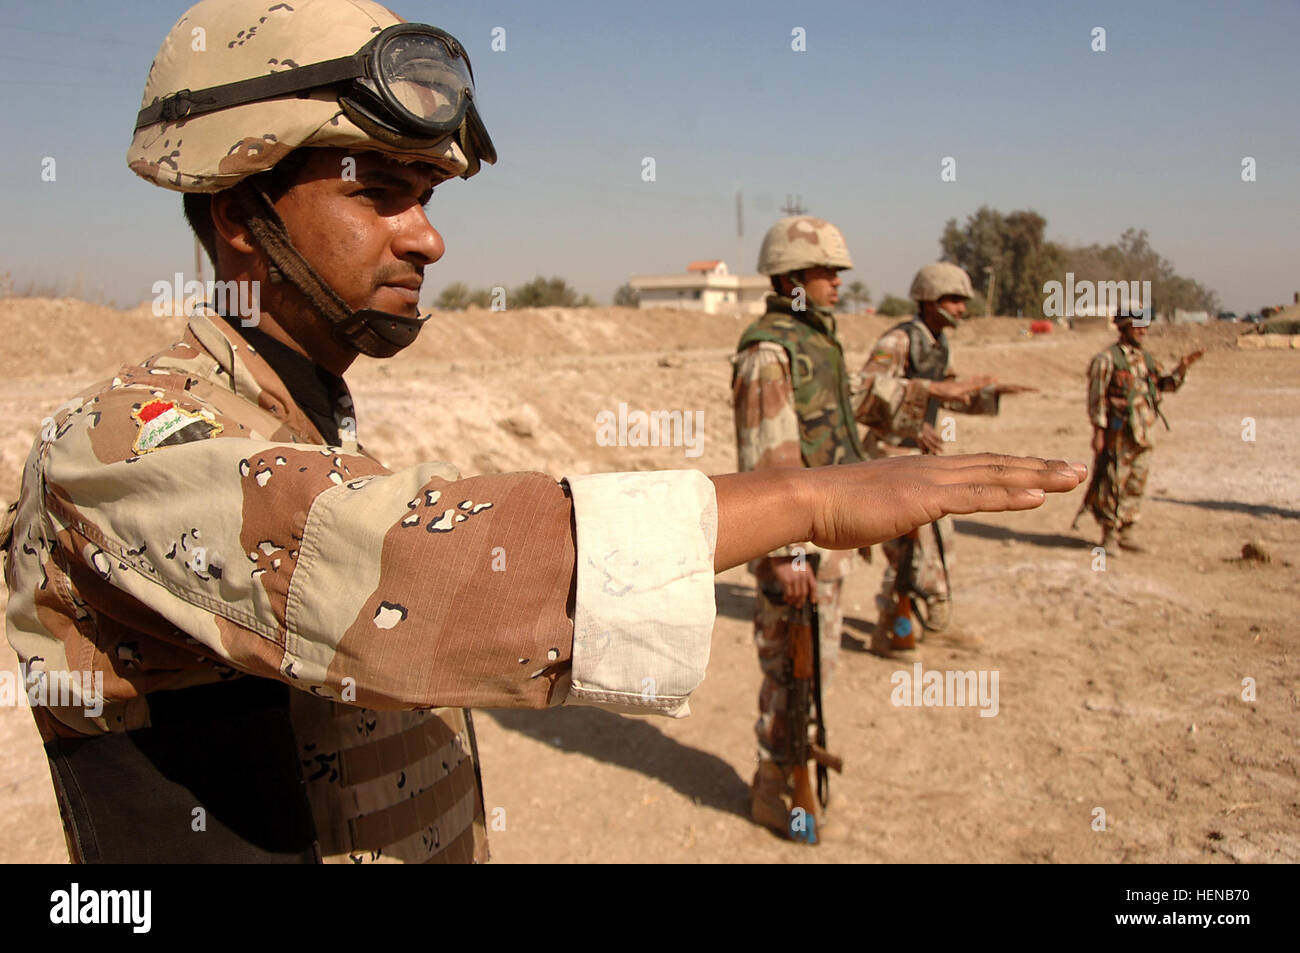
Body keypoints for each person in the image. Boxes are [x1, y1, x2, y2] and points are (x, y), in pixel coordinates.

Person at [1, 0, 1086, 864]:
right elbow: (410, 566)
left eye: (426, 191)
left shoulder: (298, 415)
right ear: (242, 218)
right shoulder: (122, 444)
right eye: (379, 190)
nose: (426, 235)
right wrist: (805, 501)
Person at [731, 216, 866, 837]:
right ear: (790, 277)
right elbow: (768, 460)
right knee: (789, 674)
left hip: (823, 549)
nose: (837, 281)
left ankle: (793, 778)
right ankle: (775, 789)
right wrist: (787, 555)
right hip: (798, 553)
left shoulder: (818, 340)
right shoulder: (769, 348)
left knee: (815, 675)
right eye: (825, 270)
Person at [854, 263, 1033, 655]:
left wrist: (991, 393)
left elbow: (946, 391)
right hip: (890, 458)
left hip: (921, 459)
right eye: (953, 299)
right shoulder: (899, 341)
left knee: (936, 542)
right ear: (929, 300)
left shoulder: (936, 344)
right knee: (905, 550)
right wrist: (912, 423)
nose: (961, 308)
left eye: (963, 301)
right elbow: (865, 392)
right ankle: (890, 629)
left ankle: (932, 622)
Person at [1079, 308, 1202, 554]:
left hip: (1143, 433)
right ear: (1124, 328)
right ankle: (1109, 535)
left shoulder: (1146, 359)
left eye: (1144, 327)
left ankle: (1127, 531)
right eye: (1137, 327)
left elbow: (1165, 385)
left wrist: (1182, 368)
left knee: (1136, 482)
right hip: (1119, 433)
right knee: (1113, 482)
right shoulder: (1107, 359)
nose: (1143, 331)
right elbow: (1097, 398)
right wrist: (1098, 432)